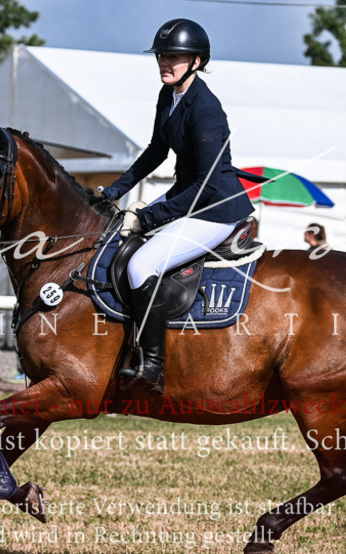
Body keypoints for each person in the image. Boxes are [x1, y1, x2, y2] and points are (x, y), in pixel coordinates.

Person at [98, 18, 254, 394]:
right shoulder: (168, 95)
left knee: (142, 263)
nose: (165, 62)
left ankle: (152, 368)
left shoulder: (206, 110)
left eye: (174, 57)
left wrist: (148, 215)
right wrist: (116, 190)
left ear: (197, 62)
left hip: (215, 206)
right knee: (115, 240)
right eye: (162, 55)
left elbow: (206, 184)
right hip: (189, 194)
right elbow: (156, 150)